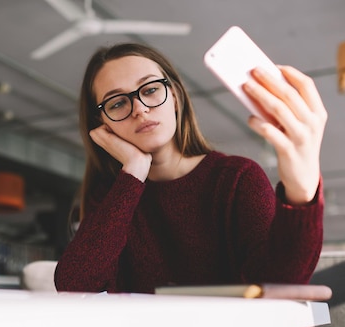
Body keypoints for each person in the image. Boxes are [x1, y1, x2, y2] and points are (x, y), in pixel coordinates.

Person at [54, 42, 327, 294]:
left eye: (149, 90)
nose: (139, 109)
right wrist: (134, 172)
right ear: (103, 123)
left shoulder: (236, 178)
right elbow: (74, 285)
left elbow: (277, 284)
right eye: (117, 103)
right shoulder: (112, 197)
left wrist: (301, 193)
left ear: (173, 96)